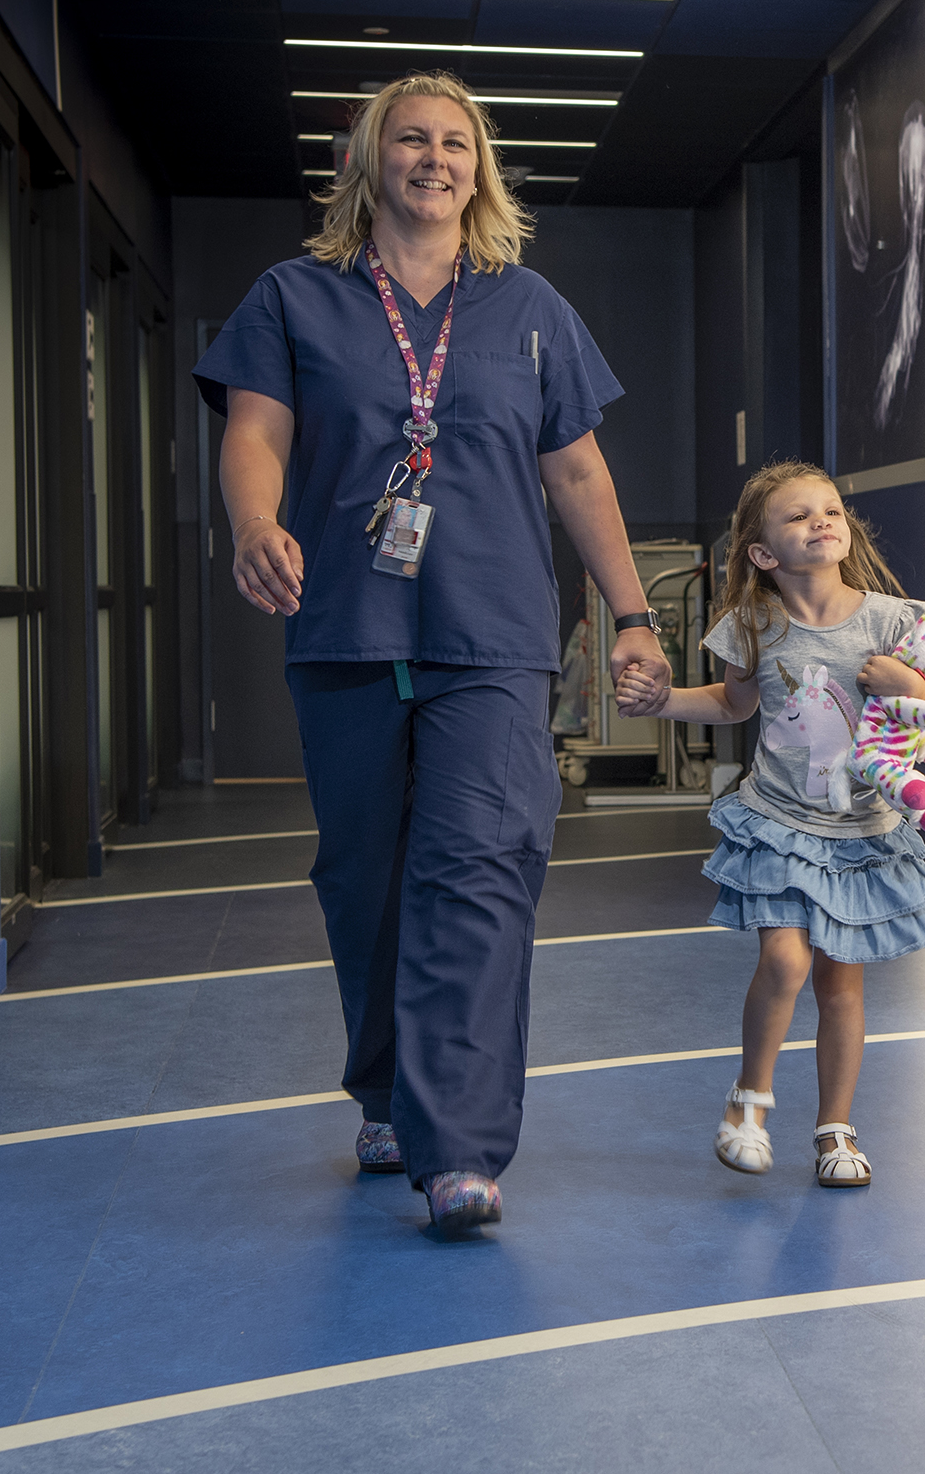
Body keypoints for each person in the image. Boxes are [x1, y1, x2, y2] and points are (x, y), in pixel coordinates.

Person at [195, 71, 668, 1233]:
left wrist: (632, 613)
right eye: (410, 138)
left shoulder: (527, 307)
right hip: (348, 627)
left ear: (481, 170)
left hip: (495, 635)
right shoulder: (294, 296)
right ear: (367, 162)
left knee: (481, 867)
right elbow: (255, 431)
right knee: (366, 879)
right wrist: (257, 524)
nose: (434, 158)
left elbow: (576, 470)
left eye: (456, 143)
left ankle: (457, 1143)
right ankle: (385, 1088)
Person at [615, 461, 925, 1187]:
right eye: (798, 515)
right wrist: (663, 701)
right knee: (787, 960)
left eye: (829, 509)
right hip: (779, 821)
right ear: (763, 553)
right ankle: (749, 1101)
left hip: (861, 829)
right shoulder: (752, 623)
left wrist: (911, 682)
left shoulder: (896, 619)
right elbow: (734, 705)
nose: (821, 521)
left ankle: (835, 1128)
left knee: (840, 985)